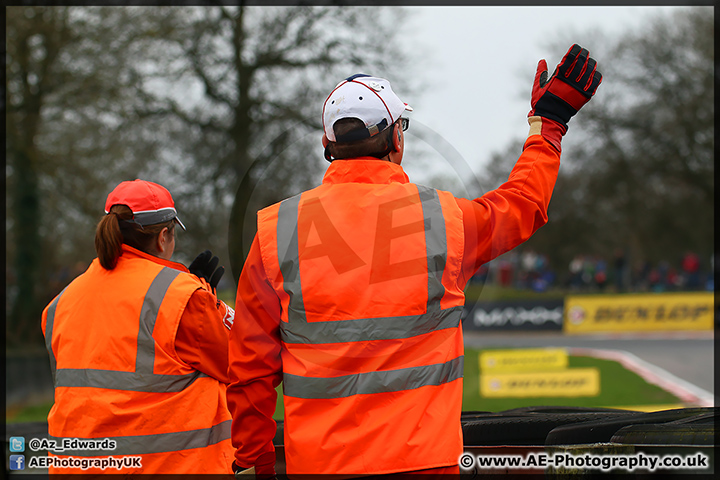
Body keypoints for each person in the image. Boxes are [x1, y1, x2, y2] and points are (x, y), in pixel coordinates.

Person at [227, 44, 602, 477]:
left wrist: (256, 462)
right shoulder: (447, 220)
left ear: (327, 144)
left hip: (321, 466)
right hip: (426, 462)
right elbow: (523, 205)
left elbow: (250, 371)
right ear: (396, 139)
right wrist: (548, 126)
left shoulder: (276, 231)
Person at [41, 179, 236, 474]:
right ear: (163, 236)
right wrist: (209, 303)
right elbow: (243, 360)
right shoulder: (182, 298)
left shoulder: (60, 303)